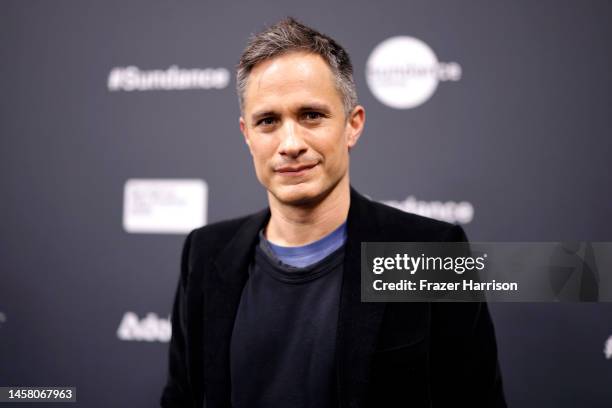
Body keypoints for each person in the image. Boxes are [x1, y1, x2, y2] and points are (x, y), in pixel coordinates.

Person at [161, 17, 506, 408]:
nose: (290, 143)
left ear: (352, 125)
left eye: (311, 115)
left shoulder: (430, 253)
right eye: (268, 121)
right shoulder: (205, 252)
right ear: (247, 134)